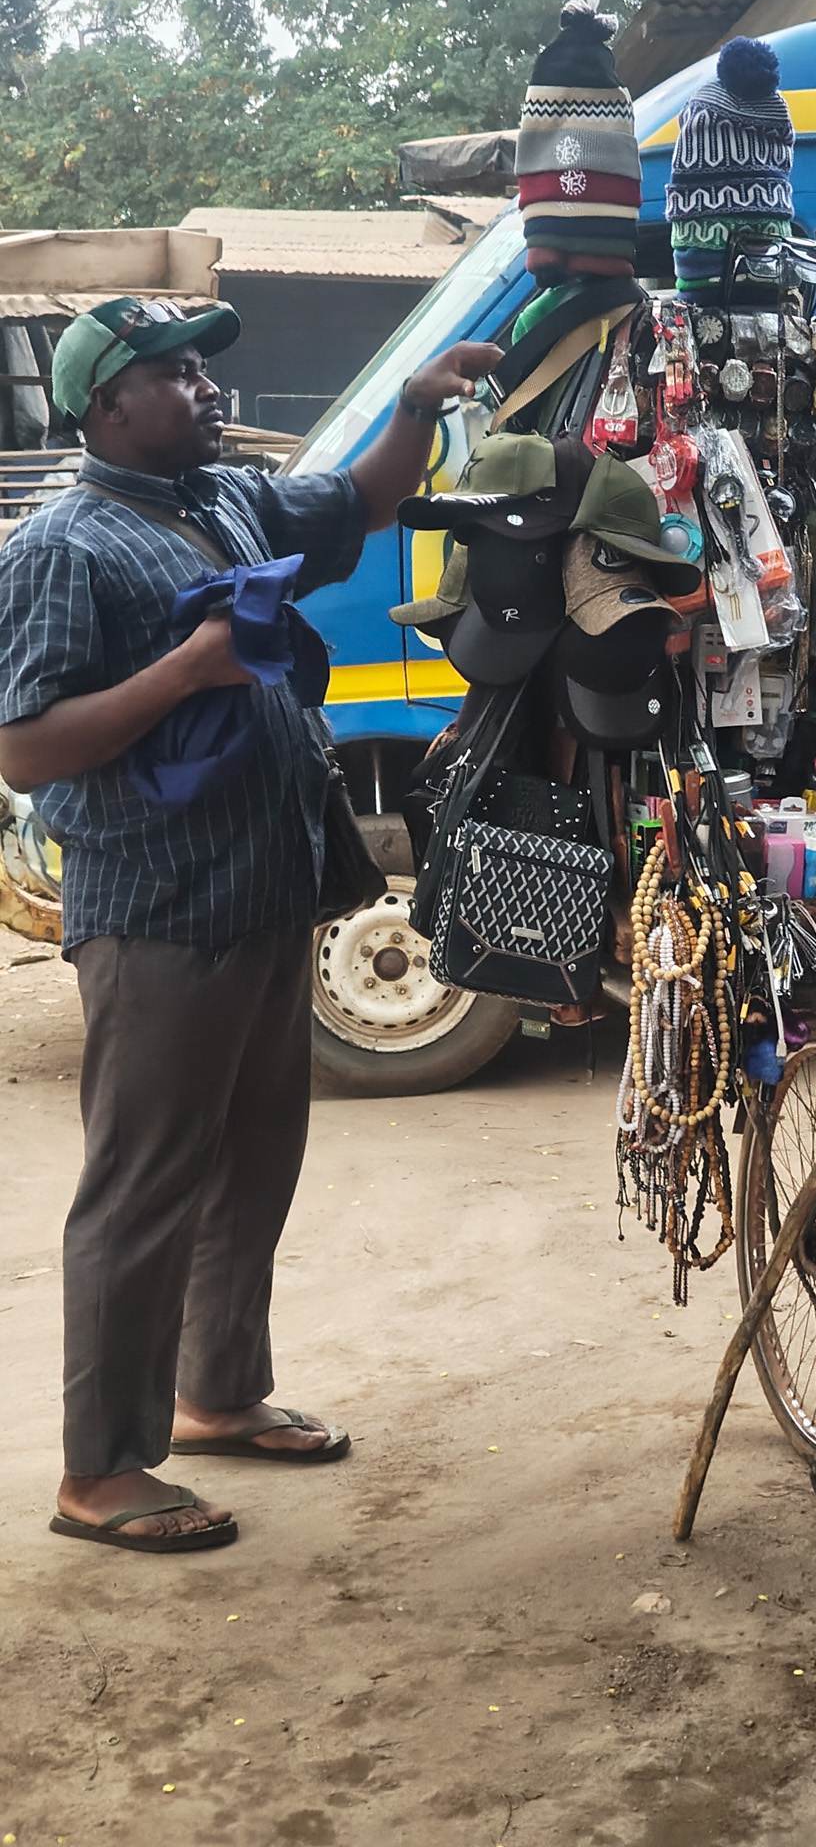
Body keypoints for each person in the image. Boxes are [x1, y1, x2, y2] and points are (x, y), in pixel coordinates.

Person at [0, 296, 500, 1554]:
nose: (206, 390)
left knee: (254, 1158)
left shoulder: (226, 499)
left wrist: (417, 407)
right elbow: (23, 745)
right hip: (161, 908)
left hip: (271, 888)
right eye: (174, 375)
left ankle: (216, 1392)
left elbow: (362, 504)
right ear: (105, 404)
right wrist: (190, 668)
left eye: (204, 372)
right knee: (144, 1184)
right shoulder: (67, 547)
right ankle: (101, 1469)